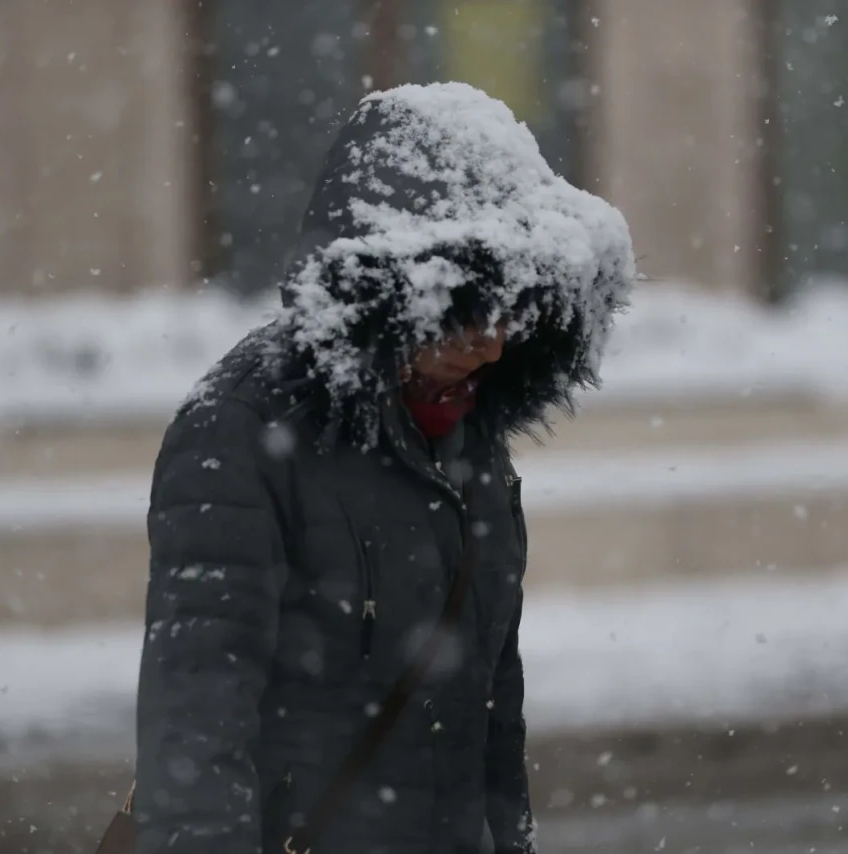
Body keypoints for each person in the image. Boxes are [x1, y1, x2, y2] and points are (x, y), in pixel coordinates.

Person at [133, 82, 635, 854]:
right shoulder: (235, 432)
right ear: (386, 294)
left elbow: (494, 708)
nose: (493, 344)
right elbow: (197, 716)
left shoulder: (472, 441)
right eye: (466, 307)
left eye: (513, 310)